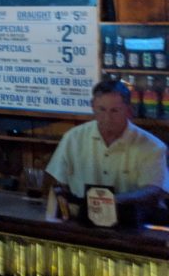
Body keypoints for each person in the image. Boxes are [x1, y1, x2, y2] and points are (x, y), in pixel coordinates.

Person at [45, 79, 169, 210]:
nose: (107, 118)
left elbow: (154, 190)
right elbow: (58, 182)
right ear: (92, 107)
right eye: (101, 109)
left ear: (129, 110)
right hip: (81, 221)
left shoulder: (152, 146)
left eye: (115, 111)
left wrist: (111, 202)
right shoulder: (73, 138)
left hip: (129, 224)